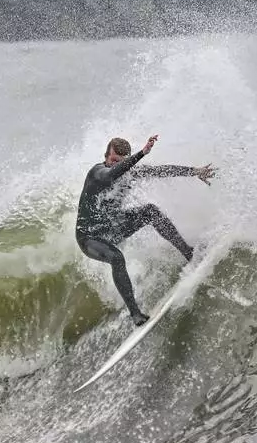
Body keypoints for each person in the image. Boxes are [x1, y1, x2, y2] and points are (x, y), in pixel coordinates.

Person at [75, 134, 215, 325]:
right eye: (113, 160)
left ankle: (188, 252)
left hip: (113, 228)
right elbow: (110, 175)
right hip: (90, 237)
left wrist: (194, 171)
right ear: (106, 156)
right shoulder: (97, 173)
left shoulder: (128, 172)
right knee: (117, 258)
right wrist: (142, 153)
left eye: (120, 162)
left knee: (150, 211)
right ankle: (135, 314)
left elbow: (160, 171)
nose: (115, 165)